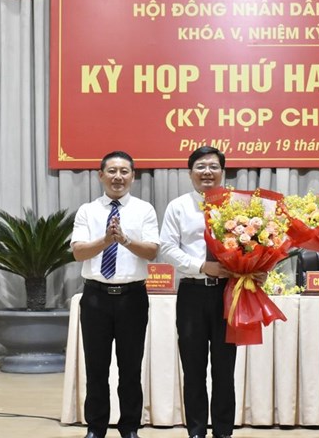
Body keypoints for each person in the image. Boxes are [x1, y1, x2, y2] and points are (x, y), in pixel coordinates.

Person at [71, 151, 160, 438]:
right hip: (95, 297)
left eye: (124, 171)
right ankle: (96, 428)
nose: (118, 177)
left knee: (130, 369)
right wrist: (106, 240)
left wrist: (124, 240)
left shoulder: (144, 210)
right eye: (112, 171)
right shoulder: (88, 210)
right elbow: (78, 251)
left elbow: (152, 250)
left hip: (132, 298)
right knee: (96, 368)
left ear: (133, 176)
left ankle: (130, 428)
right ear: (100, 175)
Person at [159, 146, 235, 438]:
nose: (207, 172)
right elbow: (167, 248)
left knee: (225, 367)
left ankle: (224, 431)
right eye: (201, 167)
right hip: (192, 293)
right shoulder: (178, 206)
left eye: (213, 167)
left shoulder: (237, 206)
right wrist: (202, 266)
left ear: (222, 172)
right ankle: (196, 432)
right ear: (190, 173)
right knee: (193, 367)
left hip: (227, 293)